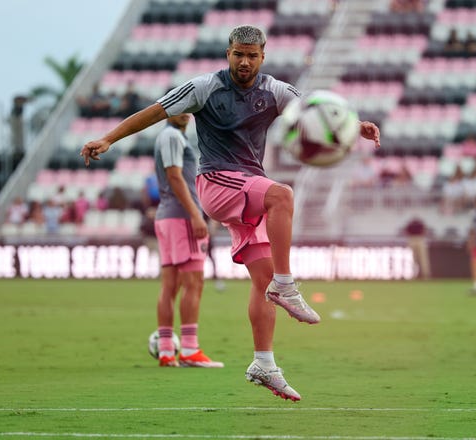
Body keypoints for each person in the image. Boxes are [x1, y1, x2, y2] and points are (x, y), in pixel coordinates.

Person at [81, 25, 380, 401]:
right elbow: (154, 112)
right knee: (282, 196)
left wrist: (355, 127)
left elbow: (313, 114)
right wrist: (108, 138)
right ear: (228, 53)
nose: (244, 61)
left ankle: (264, 363)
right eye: (238, 54)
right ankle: (287, 286)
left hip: (247, 187)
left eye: (252, 55)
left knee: (263, 280)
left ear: (262, 56)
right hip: (217, 182)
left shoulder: (273, 91)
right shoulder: (204, 88)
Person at [152, 112, 223, 368]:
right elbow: (174, 176)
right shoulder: (172, 136)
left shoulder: (168, 136)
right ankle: (190, 349)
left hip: (166, 217)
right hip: (181, 218)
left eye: (188, 108)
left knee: (170, 285)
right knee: (194, 282)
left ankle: (166, 350)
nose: (184, 112)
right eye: (177, 107)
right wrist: (196, 215)